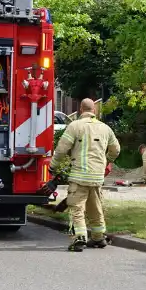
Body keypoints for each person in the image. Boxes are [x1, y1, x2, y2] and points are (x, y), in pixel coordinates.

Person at [52, 98, 120, 252]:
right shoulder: (105, 128)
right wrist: (105, 161)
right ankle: (98, 238)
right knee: (95, 207)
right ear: (94, 111)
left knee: (77, 207)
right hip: (97, 177)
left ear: (81, 110)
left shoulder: (74, 126)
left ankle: (80, 238)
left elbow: (62, 149)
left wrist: (53, 166)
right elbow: (116, 150)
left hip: (79, 176)